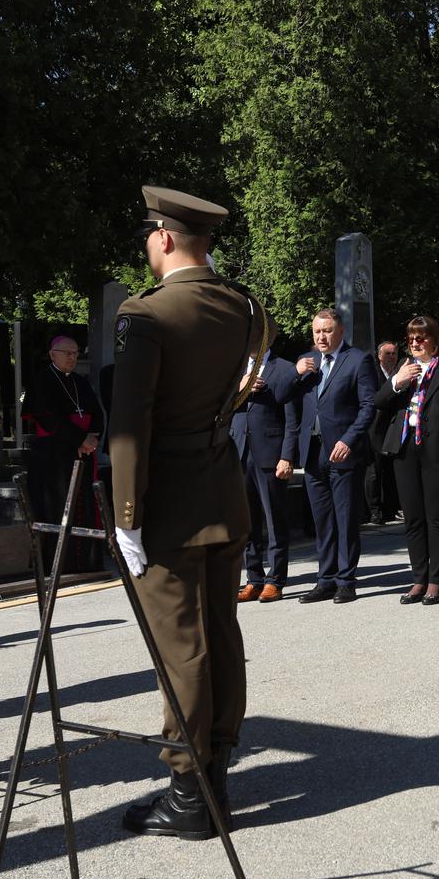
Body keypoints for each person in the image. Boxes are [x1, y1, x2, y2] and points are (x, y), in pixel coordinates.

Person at [112, 186, 273, 838]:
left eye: (149, 234)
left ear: (166, 238)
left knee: (181, 648)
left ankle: (187, 794)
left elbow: (130, 423)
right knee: (220, 636)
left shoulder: (145, 314)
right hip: (221, 490)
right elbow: (234, 395)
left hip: (167, 504)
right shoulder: (244, 308)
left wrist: (126, 514)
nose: (148, 244)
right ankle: (218, 779)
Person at [281, 308, 379, 604]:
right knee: (321, 519)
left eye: (326, 331)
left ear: (340, 332)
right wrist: (295, 374)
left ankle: (346, 580)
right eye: (317, 332)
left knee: (345, 518)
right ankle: (325, 578)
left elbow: (368, 406)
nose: (321, 337)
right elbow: (285, 397)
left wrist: (349, 439)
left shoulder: (358, 360)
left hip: (343, 451)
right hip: (313, 452)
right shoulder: (306, 364)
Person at [373, 316, 439, 605]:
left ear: (434, 339)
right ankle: (418, 578)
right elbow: (378, 401)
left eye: (421, 338)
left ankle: (436, 581)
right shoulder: (405, 369)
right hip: (405, 450)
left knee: (436, 517)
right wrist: (396, 383)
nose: (415, 343)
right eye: (411, 338)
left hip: (436, 451)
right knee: (413, 518)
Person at [21, 335, 105, 571]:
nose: (72, 357)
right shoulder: (42, 381)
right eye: (67, 352)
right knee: (56, 508)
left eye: (76, 353)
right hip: (53, 458)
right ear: (52, 354)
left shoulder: (81, 382)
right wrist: (80, 439)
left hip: (84, 455)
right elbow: (48, 418)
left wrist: (92, 439)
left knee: (84, 506)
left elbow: (97, 413)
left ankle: (85, 563)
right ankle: (57, 566)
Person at [230, 348, 300, 603]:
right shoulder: (235, 368)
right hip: (239, 451)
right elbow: (220, 407)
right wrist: (240, 388)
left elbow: (292, 419)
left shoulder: (283, 368)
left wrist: (287, 456)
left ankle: (276, 579)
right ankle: (254, 578)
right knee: (247, 521)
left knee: (274, 519)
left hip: (270, 453)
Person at [363, 341, 402, 524]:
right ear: (379, 356)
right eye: (388, 353)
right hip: (375, 428)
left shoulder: (399, 373)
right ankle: (374, 510)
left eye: (394, 353)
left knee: (391, 470)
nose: (392, 357)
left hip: (393, 427)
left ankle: (391, 508)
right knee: (374, 471)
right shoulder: (372, 374)